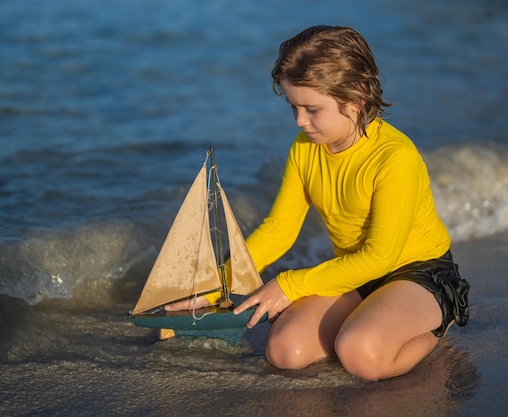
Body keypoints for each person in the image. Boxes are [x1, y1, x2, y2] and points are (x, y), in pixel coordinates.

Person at [166, 25, 469, 381]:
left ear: (355, 98)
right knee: (284, 352)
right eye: (293, 107)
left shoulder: (395, 158)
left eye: (311, 108)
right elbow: (278, 230)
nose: (299, 121)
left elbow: (382, 256)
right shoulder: (304, 148)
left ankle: (437, 326)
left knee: (359, 353)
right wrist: (218, 283)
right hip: (353, 273)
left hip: (418, 272)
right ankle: (372, 320)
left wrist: (290, 285)